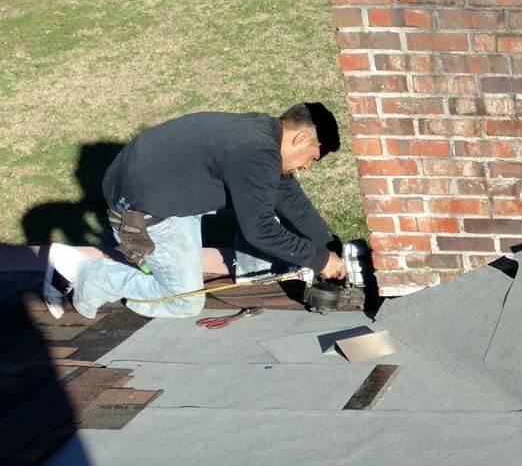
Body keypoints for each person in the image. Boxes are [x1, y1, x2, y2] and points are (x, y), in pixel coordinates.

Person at [43, 102, 346, 320]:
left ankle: (252, 269)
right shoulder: (257, 153)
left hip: (162, 187)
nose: (307, 166)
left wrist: (330, 246)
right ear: (302, 138)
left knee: (260, 202)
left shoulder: (261, 135)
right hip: (142, 212)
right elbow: (260, 229)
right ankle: (85, 273)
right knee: (183, 303)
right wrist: (320, 261)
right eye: (312, 158)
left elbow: (287, 195)